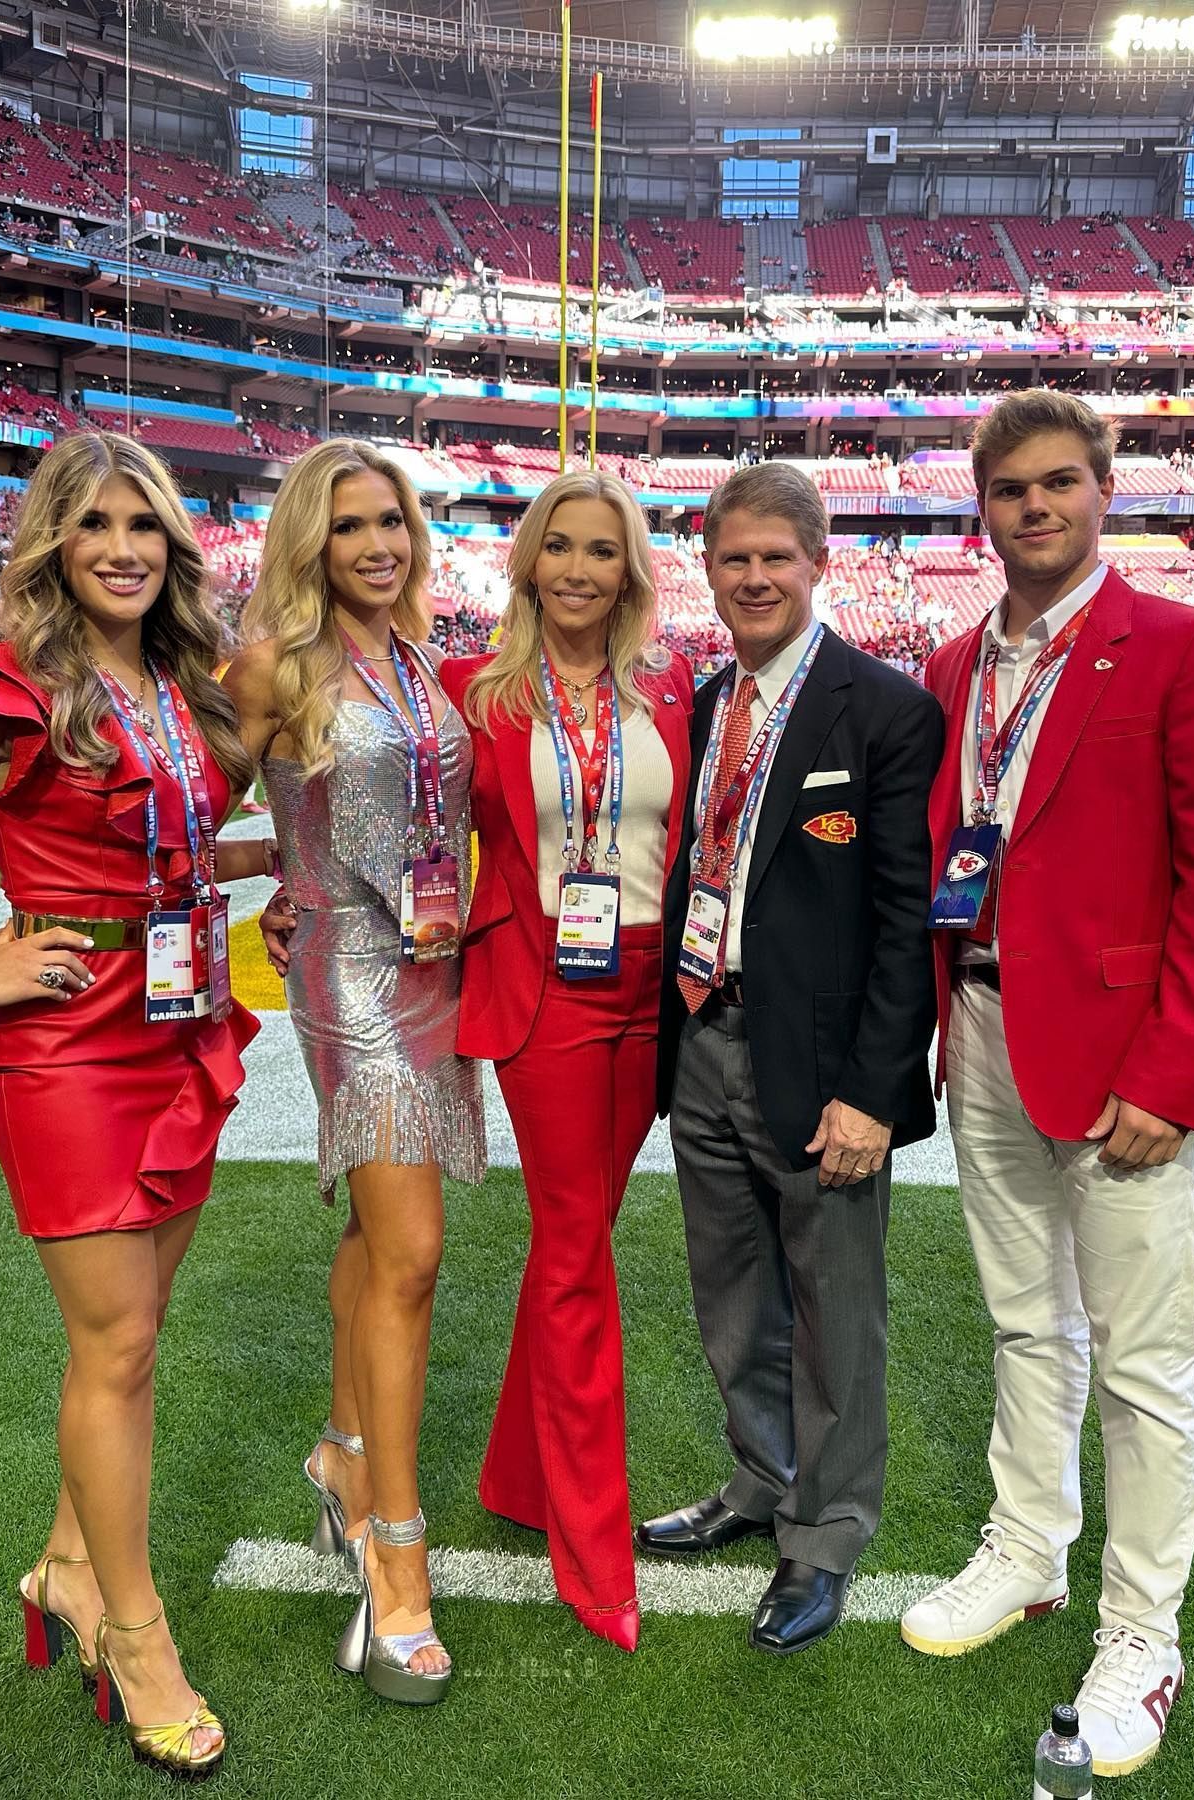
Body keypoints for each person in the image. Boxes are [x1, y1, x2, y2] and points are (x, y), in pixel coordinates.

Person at [0, 431, 267, 1779]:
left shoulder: (178, 681)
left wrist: (292, 857)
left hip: (181, 1019)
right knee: (121, 1341)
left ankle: (68, 1566)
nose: (122, 548)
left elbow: (179, 845)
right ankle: (134, 1634)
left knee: (134, 1339)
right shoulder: (2, 681)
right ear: (53, 545)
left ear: (175, 545)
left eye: (143, 524)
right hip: (66, 1045)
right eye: (92, 525)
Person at [899, 390, 1194, 1777]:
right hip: (983, 1028)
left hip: (1126, 1057)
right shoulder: (952, 667)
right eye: (1013, 490)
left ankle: (1143, 1631)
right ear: (981, 508)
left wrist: (1177, 1072)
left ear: (1105, 489)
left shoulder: (1188, 645)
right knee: (1022, 1322)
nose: (1038, 508)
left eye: (1062, 483)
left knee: (1146, 1364)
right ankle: (1028, 1549)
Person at [638, 461, 943, 1656]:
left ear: (819, 563)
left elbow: (905, 920)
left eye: (778, 557)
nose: (755, 577)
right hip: (706, 1037)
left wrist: (874, 1094)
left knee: (835, 1315)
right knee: (733, 1298)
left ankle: (824, 1536)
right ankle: (761, 1483)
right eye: (734, 558)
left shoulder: (883, 708)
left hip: (822, 1074)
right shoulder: (709, 702)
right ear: (706, 568)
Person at [229, 439, 484, 1707]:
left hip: (436, 969)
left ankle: (341, 1453)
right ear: (308, 544)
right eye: (350, 528)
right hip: (349, 978)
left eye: (393, 522)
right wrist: (264, 886)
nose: (379, 544)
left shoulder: (424, 655)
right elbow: (187, 798)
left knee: (390, 1243)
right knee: (418, 1250)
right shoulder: (276, 664)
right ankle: (394, 1554)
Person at [437, 471, 693, 1651]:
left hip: (656, 996)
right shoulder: (473, 694)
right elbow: (393, 828)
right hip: (543, 994)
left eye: (605, 551)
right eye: (562, 549)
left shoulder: (676, 690)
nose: (582, 570)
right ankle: (594, 1548)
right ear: (530, 564)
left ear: (630, 570)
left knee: (568, 1240)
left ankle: (513, 1477)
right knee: (581, 1248)